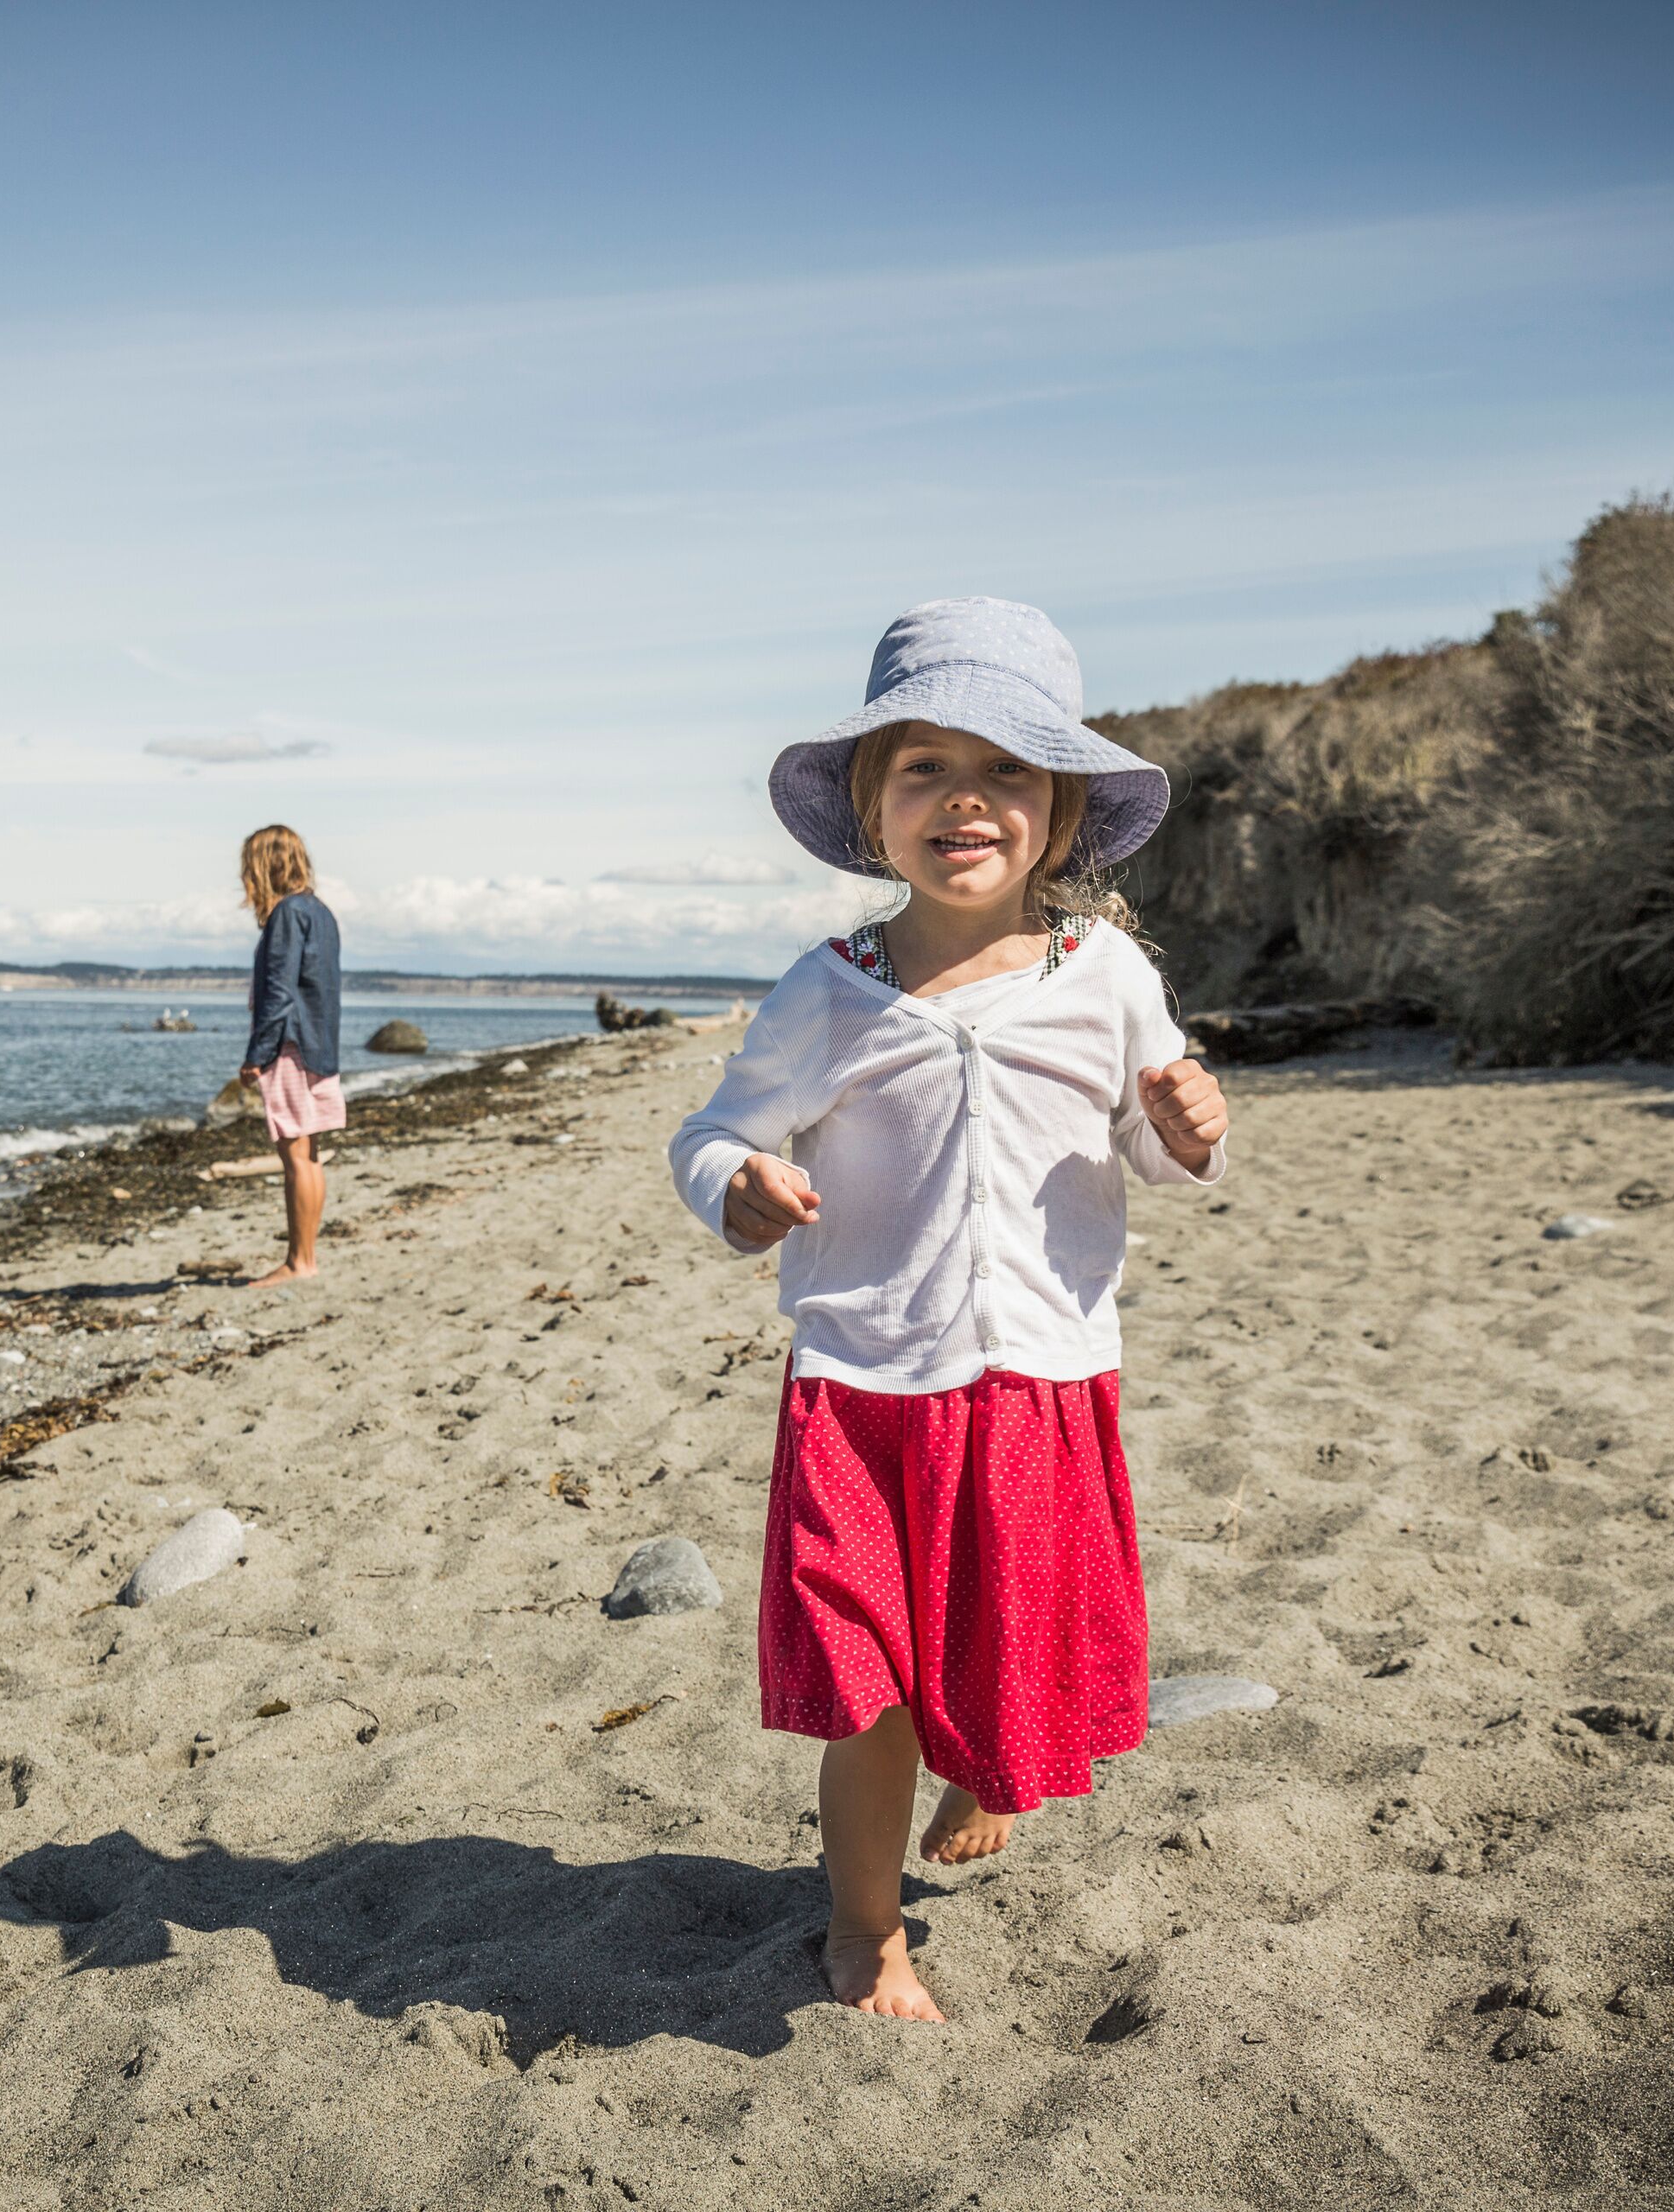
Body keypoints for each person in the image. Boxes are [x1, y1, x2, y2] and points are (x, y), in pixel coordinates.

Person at [669, 598, 1231, 2022]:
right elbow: (714, 1131)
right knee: (868, 1687)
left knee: (1002, 1650)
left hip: (1038, 1383)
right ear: (872, 807)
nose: (964, 798)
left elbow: (1159, 1153)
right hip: (859, 1389)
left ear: (1057, 813)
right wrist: (738, 1184)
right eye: (923, 768)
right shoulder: (829, 992)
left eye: (1008, 771)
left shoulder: (1106, 976)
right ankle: (870, 1935)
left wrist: (1192, 1123)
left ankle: (988, 1768)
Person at [237, 823, 343, 1287]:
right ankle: (306, 1259)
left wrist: (257, 1054)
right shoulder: (320, 912)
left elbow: (279, 992)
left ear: (265, 867)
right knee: (310, 1154)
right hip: (319, 1044)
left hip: (291, 1045)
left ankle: (300, 1263)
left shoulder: (286, 914)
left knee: (296, 1155)